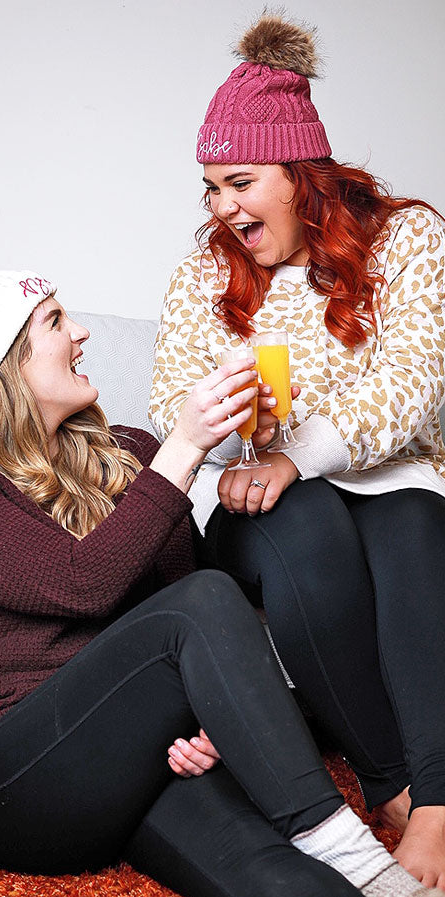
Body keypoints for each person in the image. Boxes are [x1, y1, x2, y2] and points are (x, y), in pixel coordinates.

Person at [0, 265, 437, 897]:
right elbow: (81, 584)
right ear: (4, 364)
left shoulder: (133, 453)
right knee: (199, 603)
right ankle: (349, 848)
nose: (82, 332)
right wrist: (186, 447)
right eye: (56, 321)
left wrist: (217, 721)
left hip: (146, 762)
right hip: (21, 781)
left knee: (277, 878)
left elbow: (205, 623)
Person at [148, 10, 445, 894]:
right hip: (265, 509)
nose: (221, 207)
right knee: (306, 512)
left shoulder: (410, 239)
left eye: (240, 181)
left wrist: (298, 451)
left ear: (304, 174)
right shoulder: (205, 275)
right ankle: (391, 784)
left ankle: (434, 800)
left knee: (412, 516)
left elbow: (414, 381)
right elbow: (171, 400)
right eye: (209, 187)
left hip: (394, 483)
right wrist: (235, 415)